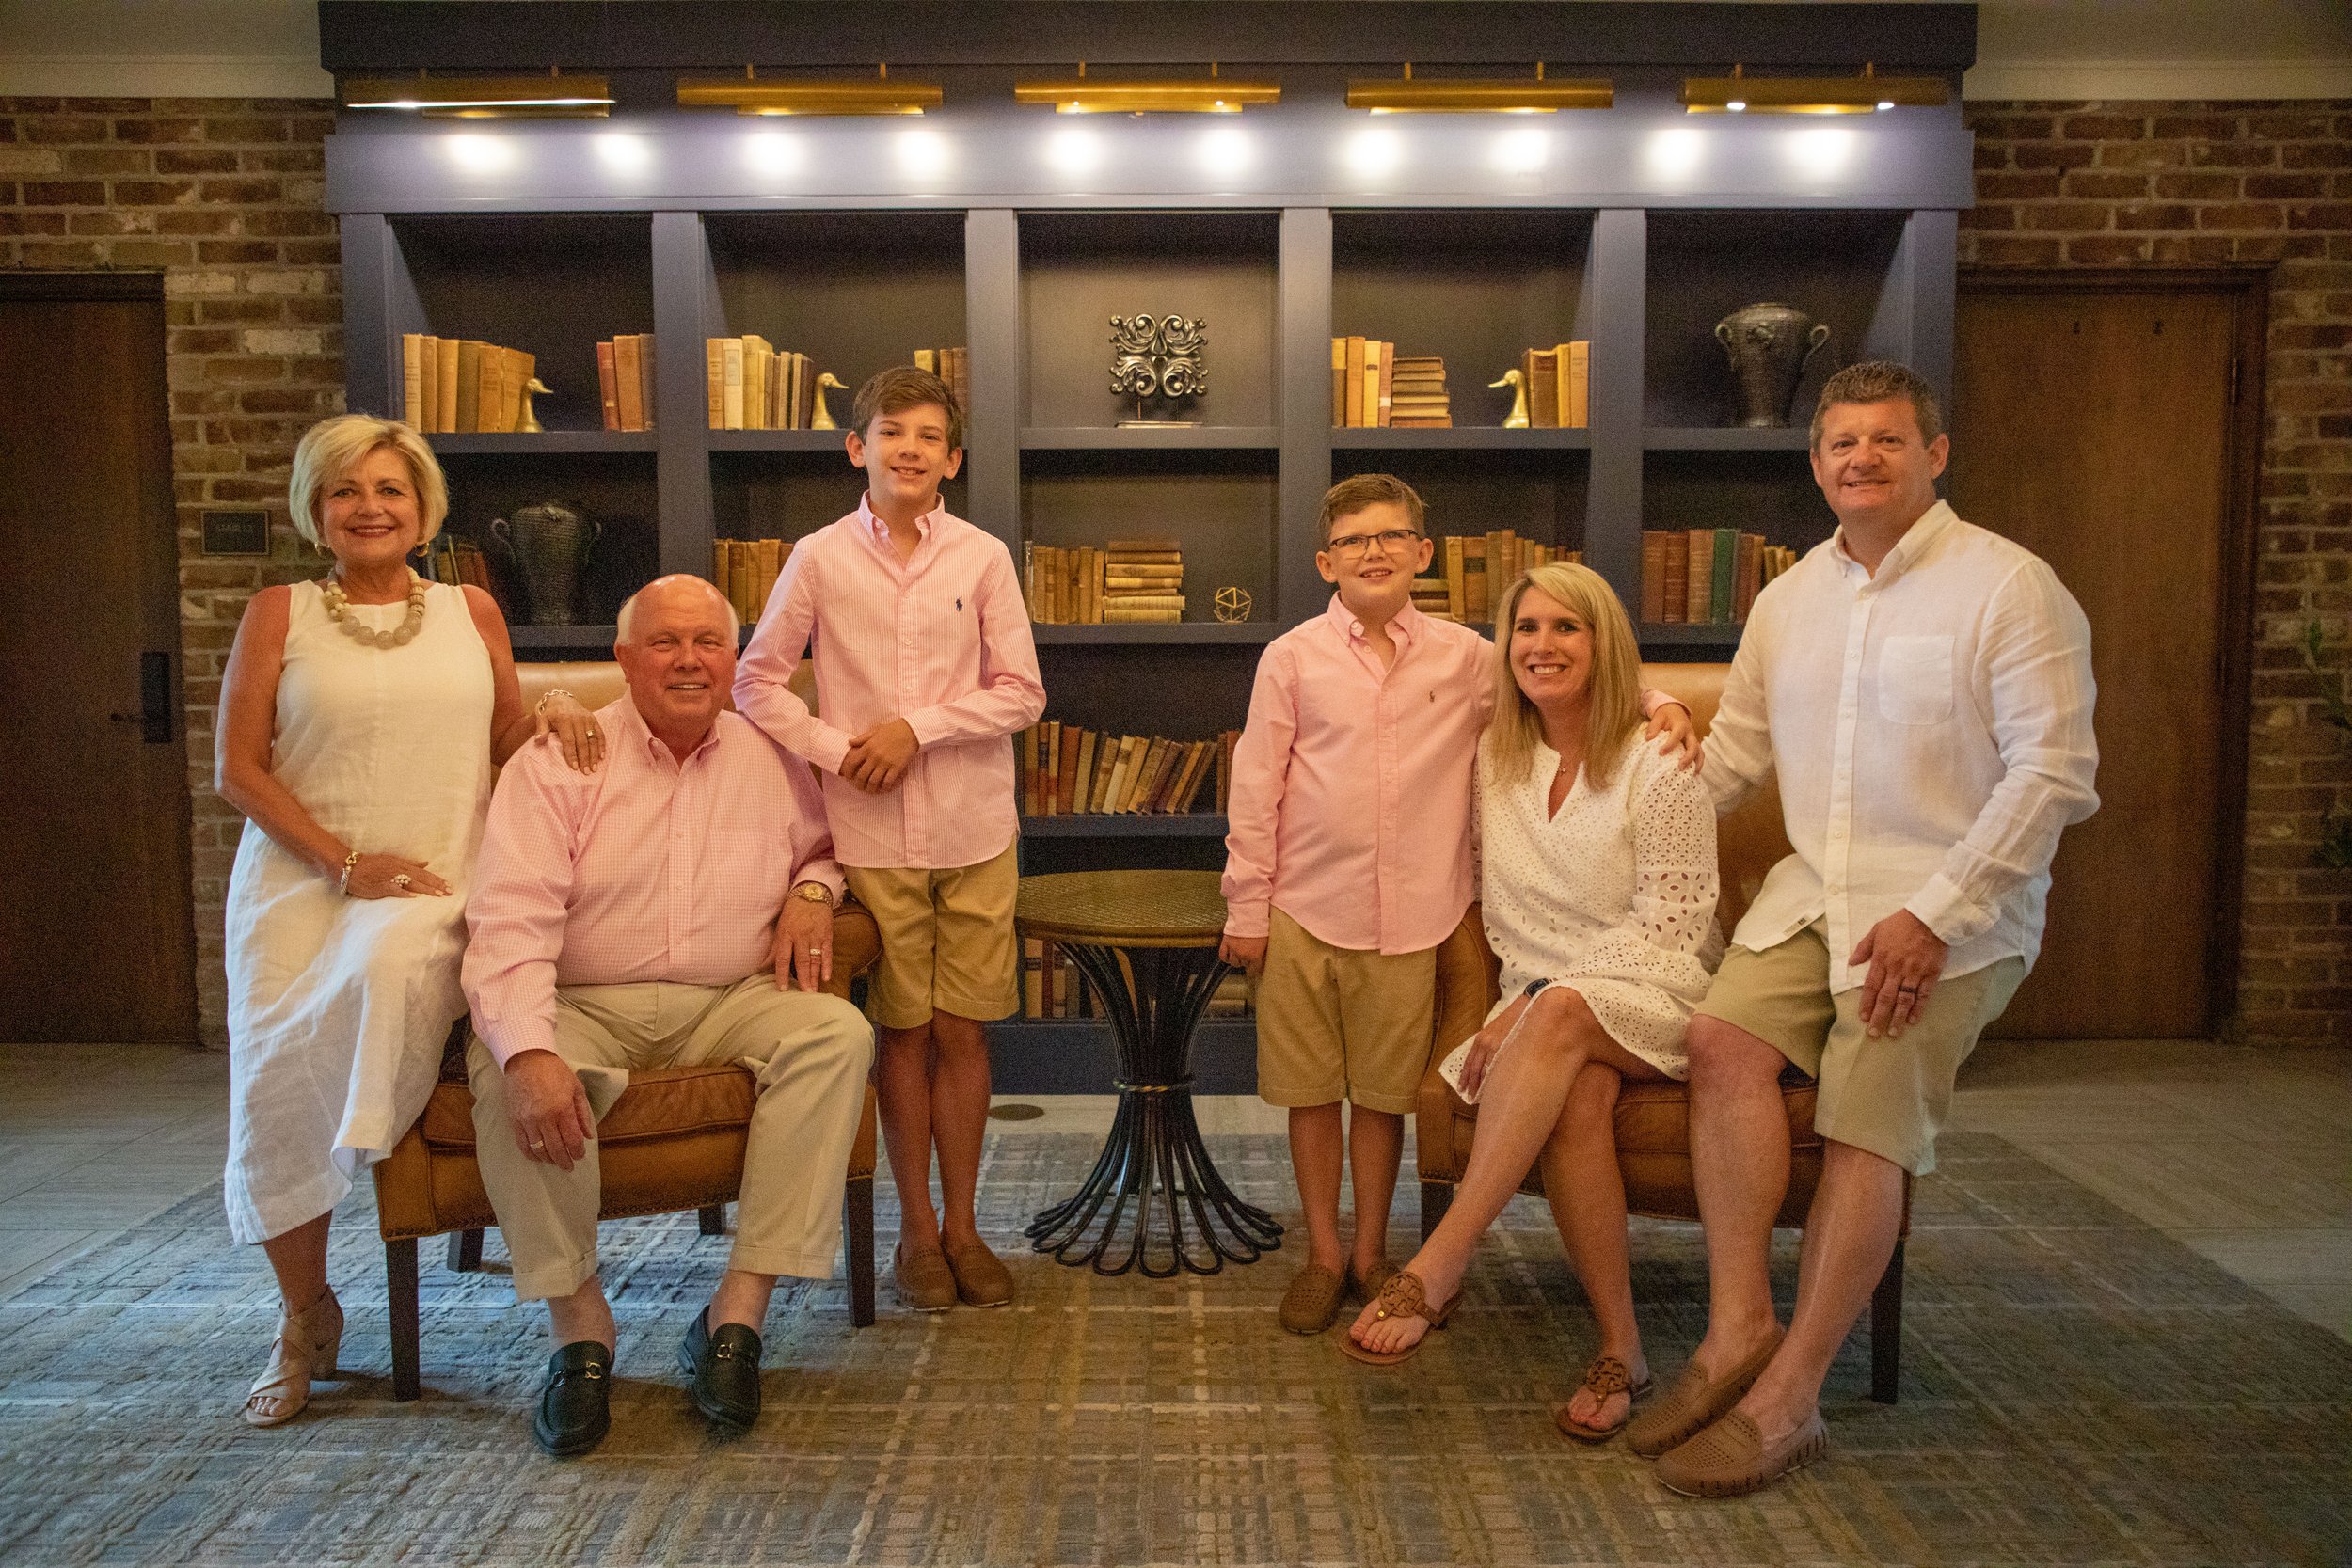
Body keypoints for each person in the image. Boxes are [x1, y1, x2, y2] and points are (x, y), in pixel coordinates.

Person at [1631, 361, 2098, 1497]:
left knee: (1862, 1112)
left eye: (1886, 440)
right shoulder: (1787, 599)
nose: (1861, 459)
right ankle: (1737, 1325)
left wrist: (1934, 915)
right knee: (1720, 1043)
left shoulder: (2009, 586)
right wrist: (1665, 759)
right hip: (1812, 889)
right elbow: (1739, 753)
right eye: (1840, 443)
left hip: (1953, 906)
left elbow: (2054, 772)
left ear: (1934, 455)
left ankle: (1791, 1397)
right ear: (1816, 465)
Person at [1223, 475, 1698, 1338]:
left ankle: (1373, 1252)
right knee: (1308, 1091)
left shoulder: (1471, 658)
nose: (1374, 550)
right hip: (1304, 904)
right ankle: (1324, 1255)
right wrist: (1246, 904)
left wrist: (1662, 701)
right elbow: (1257, 787)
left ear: (1422, 554)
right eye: (1355, 539)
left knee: (1379, 1095)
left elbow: (1565, 684)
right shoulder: (1289, 658)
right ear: (1326, 561)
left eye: (1392, 535)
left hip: (1414, 917)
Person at [216, 414, 596, 1428]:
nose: (370, 507)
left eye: (389, 488)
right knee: (272, 1070)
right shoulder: (277, 613)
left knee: (388, 969)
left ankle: (369, 1171)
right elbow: (239, 770)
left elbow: (504, 734)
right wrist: (344, 862)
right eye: (346, 490)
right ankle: (305, 1311)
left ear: (423, 506)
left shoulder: (472, 608)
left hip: (436, 881)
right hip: (300, 884)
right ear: (318, 509)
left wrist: (551, 710)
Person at [462, 574, 876, 1458]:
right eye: (664, 643)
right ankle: (580, 1332)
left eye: (708, 642)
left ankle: (736, 1316)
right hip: (583, 1001)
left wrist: (813, 886)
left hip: (729, 999)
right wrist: (529, 1049)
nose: (689, 660)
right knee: (510, 1068)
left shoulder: (776, 749)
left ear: (735, 659)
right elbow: (510, 920)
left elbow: (829, 843)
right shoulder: (558, 760)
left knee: (837, 1032)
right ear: (622, 660)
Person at [1340, 563, 1718, 1443]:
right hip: (1542, 1008)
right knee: (1577, 1094)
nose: (1542, 646)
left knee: (1558, 1017)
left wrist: (1541, 996)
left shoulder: (1660, 759)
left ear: (1604, 642)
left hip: (1659, 984)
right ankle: (1624, 1347)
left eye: (1567, 629)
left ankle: (1440, 1260)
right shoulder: (1497, 758)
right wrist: (1534, 994)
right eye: (1527, 629)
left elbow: (1674, 922)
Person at [734, 366, 1045, 1313]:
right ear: (856, 447)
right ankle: (915, 1229)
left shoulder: (983, 556)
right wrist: (837, 746)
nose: (908, 447)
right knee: (902, 1030)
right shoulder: (819, 557)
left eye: (928, 435)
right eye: (890, 431)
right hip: (871, 832)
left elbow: (1022, 691)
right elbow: (755, 682)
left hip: (974, 824)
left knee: (964, 1028)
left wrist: (919, 727)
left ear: (952, 458)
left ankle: (965, 1225)